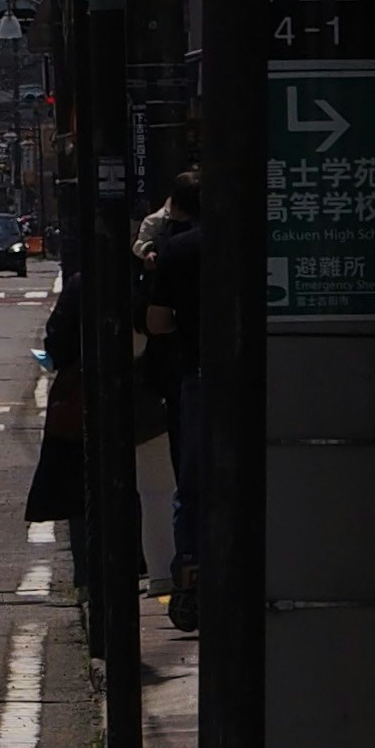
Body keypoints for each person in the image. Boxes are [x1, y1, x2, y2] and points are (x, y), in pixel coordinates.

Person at [137, 167, 204, 627]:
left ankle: (191, 575)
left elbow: (156, 323)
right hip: (263, 379)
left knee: (193, 483)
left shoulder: (177, 252)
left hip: (198, 375)